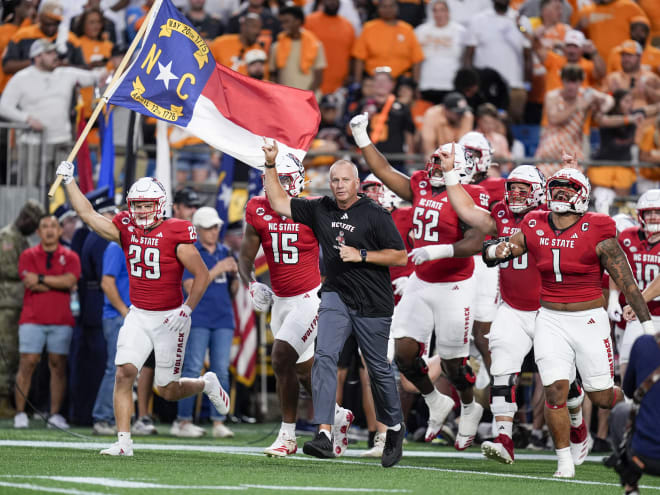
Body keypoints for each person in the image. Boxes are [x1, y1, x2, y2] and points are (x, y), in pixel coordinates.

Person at [434, 152, 654, 478]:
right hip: (549, 318)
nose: (561, 194)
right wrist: (497, 250)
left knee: (604, 397)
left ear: (582, 195)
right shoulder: (534, 222)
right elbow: (506, 248)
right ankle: (564, 460)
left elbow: (628, 283)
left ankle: (640, 402)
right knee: (554, 391)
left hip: (589, 320)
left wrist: (648, 326)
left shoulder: (598, 227)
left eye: (568, 189)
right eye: (558, 188)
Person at [55, 161, 230, 456]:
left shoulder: (176, 231)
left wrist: (187, 309)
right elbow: (88, 214)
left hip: (170, 317)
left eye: (147, 204)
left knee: (167, 389)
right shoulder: (126, 227)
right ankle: (124, 442)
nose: (140, 211)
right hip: (138, 313)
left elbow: (200, 275)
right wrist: (69, 181)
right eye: (136, 205)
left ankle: (205, 383)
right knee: (124, 372)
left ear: (160, 205)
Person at [260, 139, 408, 468]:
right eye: (335, 180)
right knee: (324, 356)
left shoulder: (374, 213)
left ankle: (395, 428)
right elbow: (279, 201)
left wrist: (362, 255)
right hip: (335, 295)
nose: (340, 185)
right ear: (330, 184)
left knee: (379, 370)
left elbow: (399, 255)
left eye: (345, 180)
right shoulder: (320, 208)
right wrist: (270, 165)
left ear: (357, 183)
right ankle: (324, 433)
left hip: (372, 302)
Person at [350, 113, 489, 451]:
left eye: (444, 158)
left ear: (462, 167)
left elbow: (479, 238)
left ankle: (470, 406)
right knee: (405, 354)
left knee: (456, 365)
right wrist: (361, 137)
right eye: (436, 156)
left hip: (455, 284)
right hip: (421, 281)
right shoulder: (422, 184)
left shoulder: (472, 193)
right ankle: (435, 400)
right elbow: (384, 171)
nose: (435, 162)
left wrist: (441, 250)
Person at [239, 151, 353, 457]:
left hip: (309, 297)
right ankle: (340, 415)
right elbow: (245, 257)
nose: (277, 185)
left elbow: (340, 249)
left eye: (285, 179)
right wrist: (251, 283)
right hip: (281, 301)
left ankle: (287, 436)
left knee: (280, 358)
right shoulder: (256, 208)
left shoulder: (314, 208)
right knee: (304, 373)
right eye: (273, 179)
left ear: (299, 181)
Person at [474, 164, 545, 464]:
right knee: (501, 370)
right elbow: (473, 220)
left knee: (561, 384)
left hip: (549, 309)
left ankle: (578, 429)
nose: (515, 195)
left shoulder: (549, 216)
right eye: (512, 188)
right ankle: (504, 439)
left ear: (538, 192)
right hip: (511, 306)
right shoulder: (500, 213)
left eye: (523, 189)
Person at [173, 207, 237, 438]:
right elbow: (190, 286)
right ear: (197, 229)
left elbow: (231, 288)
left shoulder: (224, 251)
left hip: (223, 317)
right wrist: (219, 268)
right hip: (198, 316)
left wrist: (236, 277)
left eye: (216, 227)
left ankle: (218, 421)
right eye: (209, 227)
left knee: (221, 370)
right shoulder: (191, 251)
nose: (213, 231)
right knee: (192, 368)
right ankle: (183, 420)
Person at [14, 215, 80, 430]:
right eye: (45, 226)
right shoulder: (27, 255)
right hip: (32, 318)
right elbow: (30, 283)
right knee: (28, 362)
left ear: (60, 231)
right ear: (38, 232)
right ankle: (20, 413)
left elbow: (70, 281)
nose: (50, 230)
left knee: (58, 366)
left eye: (53, 226)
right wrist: (57, 283)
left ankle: (54, 415)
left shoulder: (71, 256)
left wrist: (42, 279)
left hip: (61, 319)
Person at [0, 200, 44, 418]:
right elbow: (9, 268)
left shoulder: (22, 239)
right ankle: (2, 400)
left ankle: (8, 397)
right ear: (25, 218)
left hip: (17, 304)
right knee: (6, 353)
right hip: (6, 304)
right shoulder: (8, 237)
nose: (34, 228)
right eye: (33, 223)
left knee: (15, 353)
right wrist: (31, 276)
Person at [612, 190, 660, 379]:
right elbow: (616, 269)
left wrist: (635, 303)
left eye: (658, 212)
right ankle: (631, 407)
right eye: (649, 212)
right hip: (637, 314)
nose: (654, 216)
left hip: (647, 309)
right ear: (641, 215)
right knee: (627, 365)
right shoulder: (626, 236)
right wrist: (614, 299)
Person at [605, 330, 660, 495]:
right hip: (646, 455)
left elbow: (628, 391)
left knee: (621, 411)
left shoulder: (643, 344)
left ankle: (631, 486)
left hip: (643, 457)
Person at [269, 5, 325, 92]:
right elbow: (273, 75)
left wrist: (306, 97)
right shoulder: (276, 46)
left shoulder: (316, 45)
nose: (283, 26)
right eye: (282, 22)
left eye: (287, 22)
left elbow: (318, 78)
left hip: (309, 98)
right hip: (285, 99)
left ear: (298, 21)